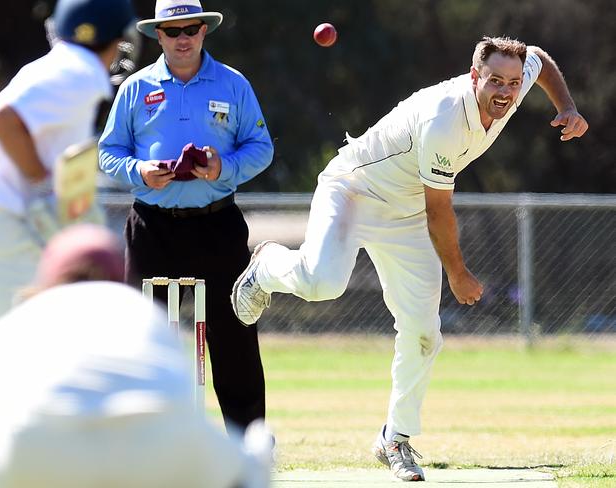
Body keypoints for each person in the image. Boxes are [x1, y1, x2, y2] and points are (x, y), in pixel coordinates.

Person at [232, 36, 588, 481]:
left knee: (423, 332)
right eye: (495, 80)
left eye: (513, 83)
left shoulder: (514, 84)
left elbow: (539, 57)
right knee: (323, 283)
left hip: (406, 212)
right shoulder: (444, 118)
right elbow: (439, 209)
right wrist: (458, 274)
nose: (506, 90)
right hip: (353, 191)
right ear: (474, 76)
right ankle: (267, 267)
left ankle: (394, 439)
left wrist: (567, 107)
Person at [0, 224, 273, 488]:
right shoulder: (139, 309)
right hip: (156, 442)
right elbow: (176, 386)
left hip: (34, 446)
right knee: (253, 456)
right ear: (117, 277)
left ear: (46, 279)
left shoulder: (20, 318)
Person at [99, 0, 274, 435]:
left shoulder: (234, 84)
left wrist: (223, 168)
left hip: (218, 225)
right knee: (142, 336)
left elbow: (261, 148)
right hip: (151, 227)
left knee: (234, 335)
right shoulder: (136, 88)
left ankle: (247, 442)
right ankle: (138, 437)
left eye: (191, 29)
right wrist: (138, 171)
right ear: (157, 35)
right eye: (173, 30)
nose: (182, 38)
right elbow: (107, 152)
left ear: (203, 32)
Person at [0, 0, 137, 340]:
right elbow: (0, 116)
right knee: (49, 352)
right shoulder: (81, 70)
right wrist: (42, 183)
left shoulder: (62, 66)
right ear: (116, 38)